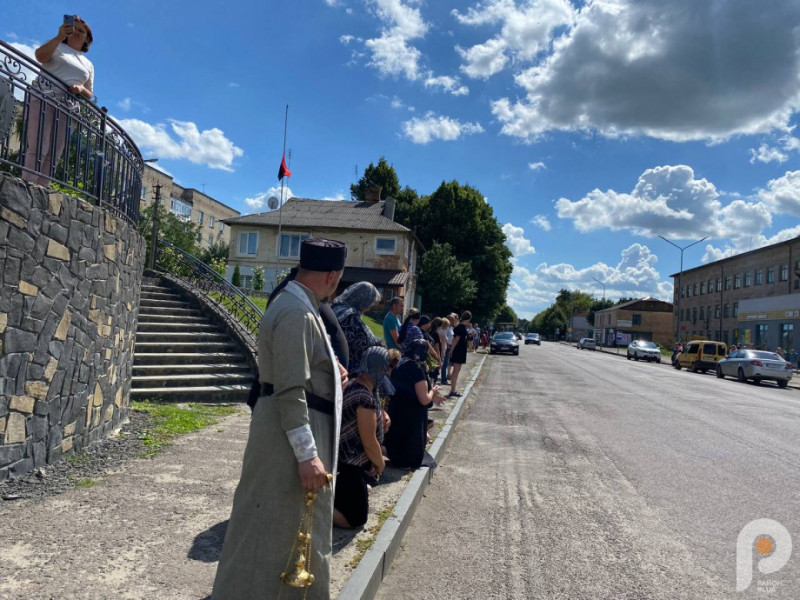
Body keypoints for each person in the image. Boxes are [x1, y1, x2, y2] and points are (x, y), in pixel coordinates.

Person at [213, 238, 347, 600]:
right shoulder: (296, 312)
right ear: (333, 277)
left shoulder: (296, 303)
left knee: (279, 528)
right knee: (278, 528)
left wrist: (330, 373)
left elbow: (297, 367)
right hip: (288, 439)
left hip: (287, 430)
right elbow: (289, 389)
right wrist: (308, 455)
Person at [24, 15, 95, 185]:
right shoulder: (57, 46)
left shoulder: (88, 64)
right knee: (39, 144)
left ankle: (41, 187)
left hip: (68, 107)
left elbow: (90, 93)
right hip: (44, 97)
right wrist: (58, 37)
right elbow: (40, 57)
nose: (77, 32)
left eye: (81, 31)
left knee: (55, 151)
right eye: (74, 29)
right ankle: (27, 184)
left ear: (87, 38)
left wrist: (80, 88)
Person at [333, 347, 393, 529]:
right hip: (348, 464)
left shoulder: (353, 384)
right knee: (356, 518)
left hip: (341, 460)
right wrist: (380, 463)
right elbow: (369, 442)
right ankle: (311, 509)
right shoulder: (364, 397)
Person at [384, 339, 446, 469]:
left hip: (397, 410)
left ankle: (393, 455)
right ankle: (406, 460)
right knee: (411, 446)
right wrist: (433, 391)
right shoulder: (417, 368)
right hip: (412, 414)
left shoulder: (400, 363)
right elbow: (424, 399)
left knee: (398, 439)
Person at [332, 281, 383, 375]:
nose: (369, 308)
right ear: (364, 300)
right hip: (348, 371)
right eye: (370, 304)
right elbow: (363, 343)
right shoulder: (350, 316)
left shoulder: (337, 308)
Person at [448, 311, 471, 397]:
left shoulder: (460, 326)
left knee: (456, 371)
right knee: (456, 372)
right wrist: (452, 350)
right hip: (458, 351)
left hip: (459, 350)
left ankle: (453, 389)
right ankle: (453, 390)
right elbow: (456, 339)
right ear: (468, 319)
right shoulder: (461, 327)